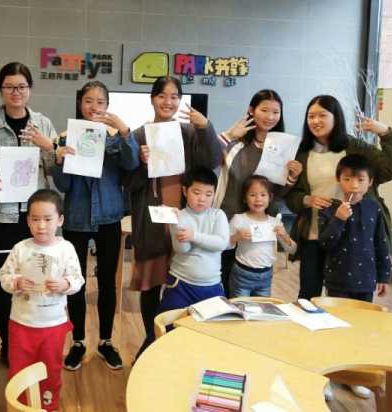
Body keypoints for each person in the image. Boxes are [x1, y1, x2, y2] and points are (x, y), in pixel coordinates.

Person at [127, 76, 222, 357]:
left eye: (174, 97)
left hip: (185, 221)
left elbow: (212, 162)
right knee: (151, 286)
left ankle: (181, 345)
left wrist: (205, 127)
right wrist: (140, 163)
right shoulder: (139, 135)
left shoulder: (189, 132)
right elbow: (129, 184)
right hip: (152, 224)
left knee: (181, 286)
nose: (168, 102)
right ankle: (152, 340)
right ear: (152, 99)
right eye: (162, 96)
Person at [0, 62, 58, 365]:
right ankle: (8, 344)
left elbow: (57, 169)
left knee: (37, 278)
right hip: (1, 215)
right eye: (9, 87)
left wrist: (49, 147)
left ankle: (32, 343)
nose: (16, 92)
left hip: (36, 217)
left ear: (29, 89)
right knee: (5, 282)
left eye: (21, 86)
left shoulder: (43, 124)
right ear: (1, 90)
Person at [286, 95, 392, 301]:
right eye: (311, 116)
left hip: (353, 235)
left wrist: (385, 133)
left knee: (347, 299)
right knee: (308, 294)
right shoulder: (301, 153)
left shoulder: (355, 147)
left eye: (322, 115)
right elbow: (290, 195)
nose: (315, 121)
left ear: (336, 117)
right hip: (316, 232)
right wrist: (306, 200)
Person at [52, 81, 138, 371]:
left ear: (108, 106)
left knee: (107, 283)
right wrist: (58, 160)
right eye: (88, 101)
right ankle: (78, 341)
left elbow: (132, 164)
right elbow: (63, 185)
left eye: (100, 102)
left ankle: (105, 341)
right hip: (76, 218)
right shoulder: (66, 137)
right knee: (75, 282)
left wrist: (125, 132)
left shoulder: (116, 137)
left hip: (109, 217)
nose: (94, 107)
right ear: (80, 104)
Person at [0, 189, 84, 412]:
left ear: (60, 220)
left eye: (48, 219)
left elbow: (78, 279)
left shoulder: (66, 249)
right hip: (21, 322)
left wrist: (65, 284)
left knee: (50, 367)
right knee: (19, 368)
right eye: (35, 219)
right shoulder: (21, 248)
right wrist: (17, 282)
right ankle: (20, 405)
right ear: (28, 221)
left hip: (53, 324)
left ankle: (49, 404)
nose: (41, 226)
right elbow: (4, 276)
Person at [215, 89, 302, 296]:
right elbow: (208, 159)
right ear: (251, 110)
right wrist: (228, 136)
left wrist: (293, 176)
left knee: (256, 293)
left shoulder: (285, 149)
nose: (270, 117)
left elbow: (278, 192)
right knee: (224, 286)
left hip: (260, 229)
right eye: (264, 110)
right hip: (229, 222)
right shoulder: (237, 143)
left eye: (275, 112)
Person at [319, 154, 391, 302]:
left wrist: (383, 276)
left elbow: (381, 243)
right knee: (338, 315)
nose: (354, 185)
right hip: (338, 280)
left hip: (366, 280)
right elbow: (325, 243)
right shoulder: (329, 208)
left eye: (361, 180)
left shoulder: (374, 208)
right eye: (347, 179)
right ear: (338, 179)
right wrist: (338, 219)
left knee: (362, 315)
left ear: (370, 181)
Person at [158, 167, 230, 312]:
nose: (202, 199)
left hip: (211, 286)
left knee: (210, 325)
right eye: (196, 193)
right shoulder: (180, 215)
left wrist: (194, 236)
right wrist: (176, 223)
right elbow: (182, 249)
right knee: (172, 324)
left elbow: (222, 243)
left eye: (208, 194)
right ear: (185, 191)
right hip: (180, 283)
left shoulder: (218, 215)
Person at [229, 176, 296, 298]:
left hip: (266, 276)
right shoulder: (239, 219)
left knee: (263, 307)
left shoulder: (275, 222)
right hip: (242, 274)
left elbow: (292, 250)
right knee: (240, 307)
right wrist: (236, 237)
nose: (258, 199)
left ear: (270, 197)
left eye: (263, 195)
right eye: (252, 195)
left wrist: (285, 236)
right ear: (245, 198)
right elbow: (224, 245)